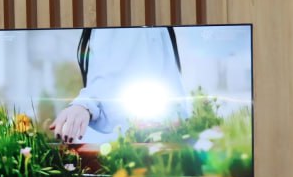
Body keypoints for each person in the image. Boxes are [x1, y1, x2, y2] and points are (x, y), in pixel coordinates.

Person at [48, 26, 188, 144]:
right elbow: (107, 78)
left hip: (151, 140)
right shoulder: (118, 24)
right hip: (132, 143)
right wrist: (85, 105)